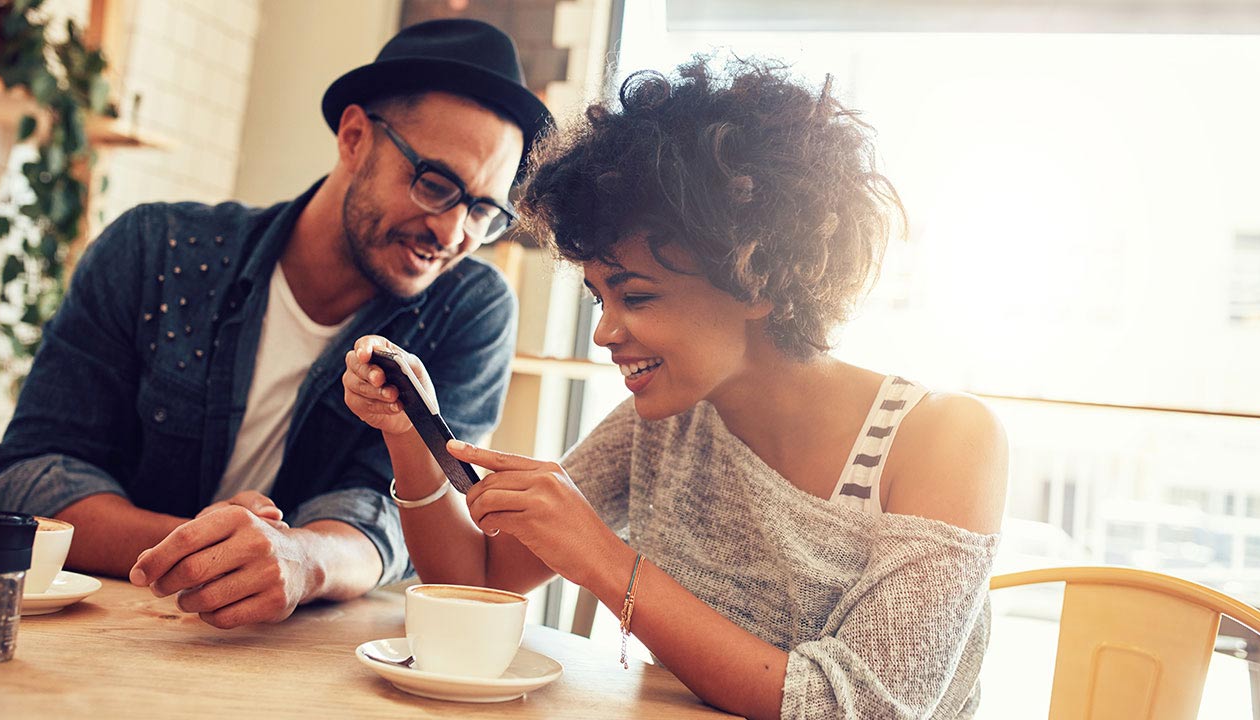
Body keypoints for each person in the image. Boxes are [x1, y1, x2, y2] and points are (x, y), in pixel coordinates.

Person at [343, 57, 1007, 719]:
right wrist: (408, 433)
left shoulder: (942, 440)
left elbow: (861, 708)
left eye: (634, 295)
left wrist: (601, 557)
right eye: (599, 297)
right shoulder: (666, 421)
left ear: (756, 276)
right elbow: (479, 580)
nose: (605, 333)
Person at [0, 18, 551, 629]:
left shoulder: (469, 308)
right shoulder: (155, 249)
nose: (452, 234)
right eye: (436, 184)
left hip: (300, 658)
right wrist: (231, 553)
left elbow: (390, 514)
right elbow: (29, 476)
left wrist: (302, 561)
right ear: (355, 136)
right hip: (98, 628)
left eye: (483, 211)